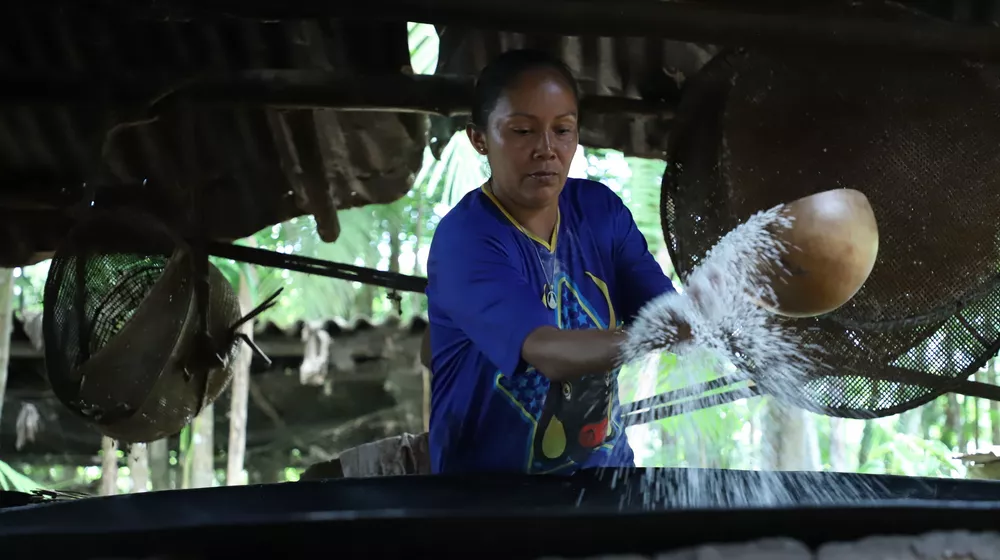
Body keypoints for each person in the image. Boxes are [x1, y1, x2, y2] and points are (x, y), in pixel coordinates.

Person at [424, 49, 676, 475]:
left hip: (607, 482)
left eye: (563, 130)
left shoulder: (599, 212)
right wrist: (657, 334)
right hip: (486, 504)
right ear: (479, 139)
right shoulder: (465, 239)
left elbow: (665, 311)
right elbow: (548, 352)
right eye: (522, 130)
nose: (546, 149)